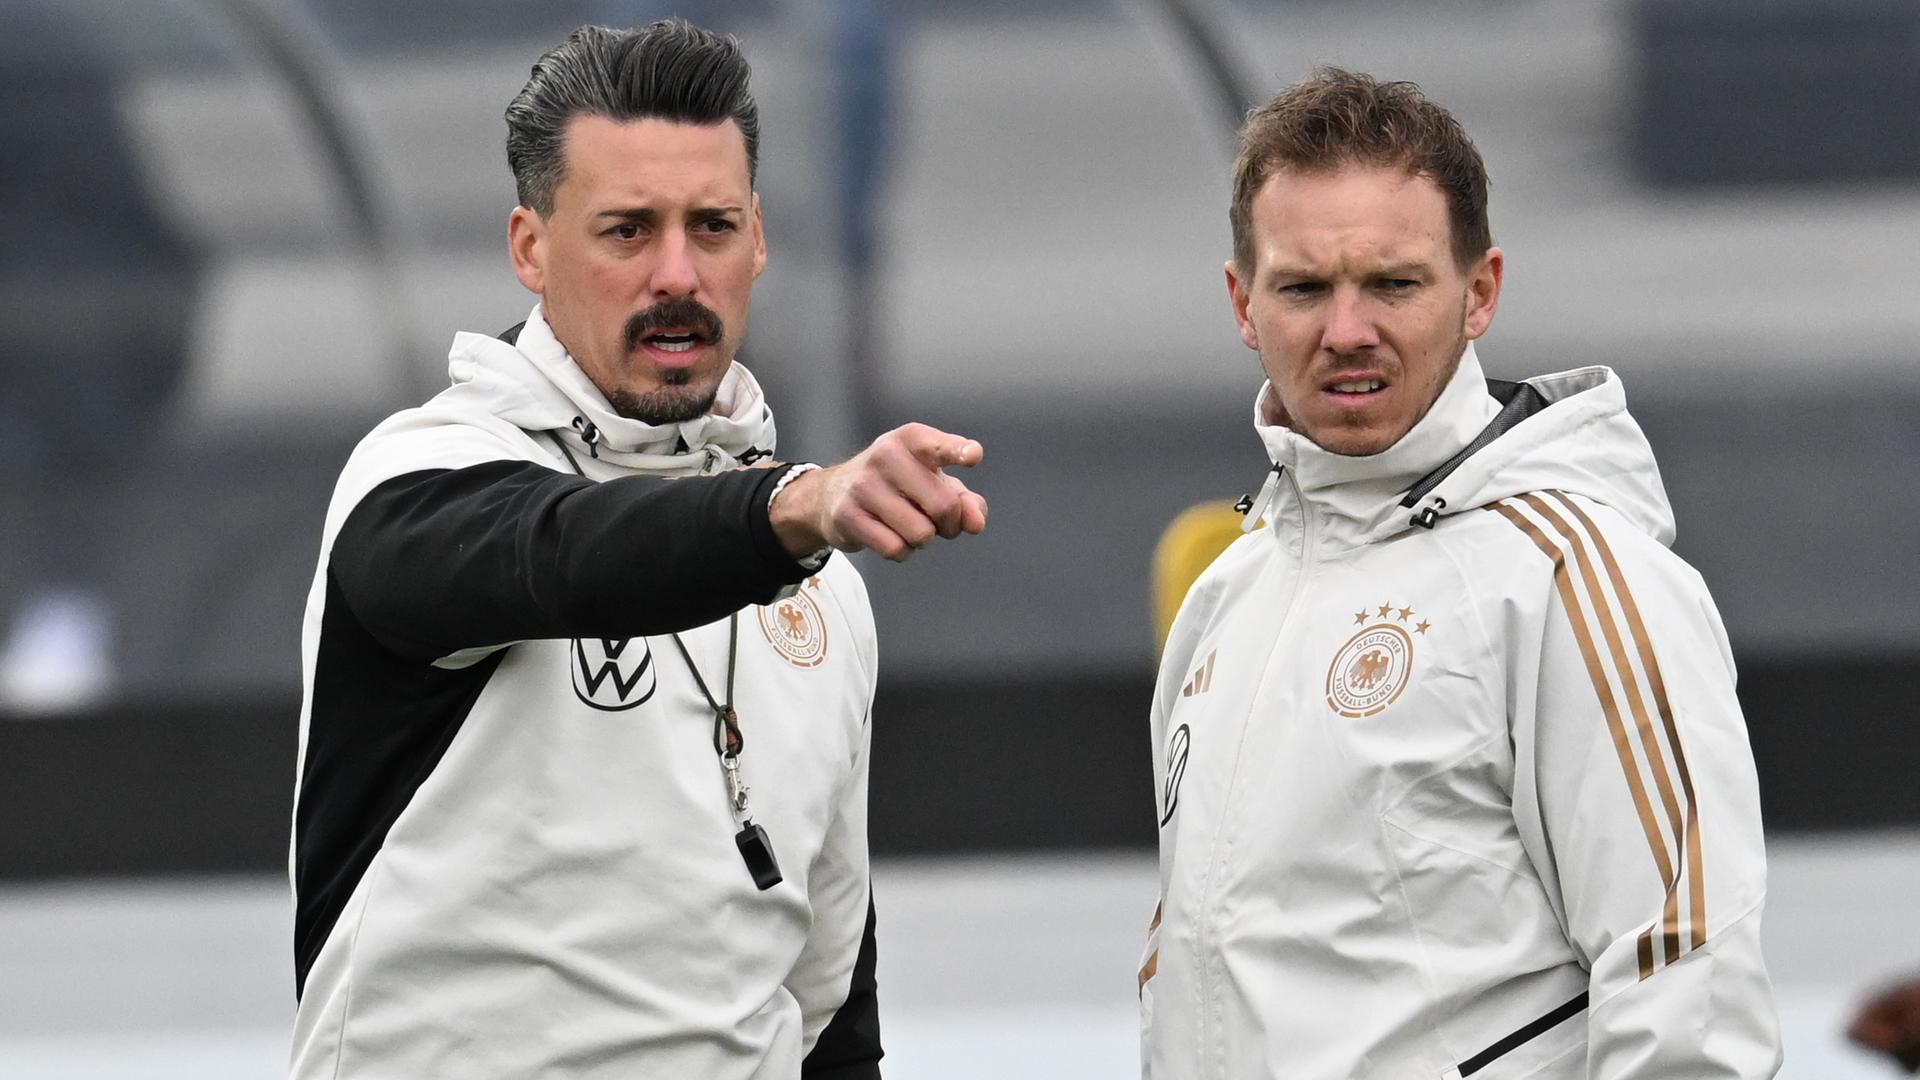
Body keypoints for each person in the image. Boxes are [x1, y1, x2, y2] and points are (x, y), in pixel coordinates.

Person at [289, 21, 985, 1079]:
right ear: (530, 247)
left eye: (711, 227)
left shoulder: (824, 585)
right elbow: (562, 550)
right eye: (627, 231)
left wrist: (795, 521)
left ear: (758, 239)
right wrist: (793, 510)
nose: (678, 274)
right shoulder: (414, 480)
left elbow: (833, 1008)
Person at [1139, 69, 1780, 1078]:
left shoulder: (1574, 575)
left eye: (1393, 283)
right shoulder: (1228, 596)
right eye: (1304, 287)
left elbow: (1686, 992)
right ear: (1242, 302)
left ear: (1480, 291)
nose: (1347, 330)